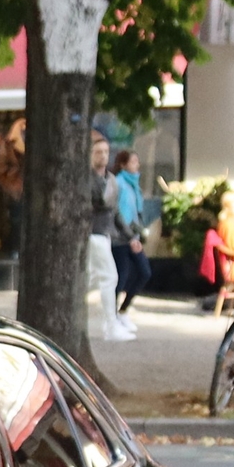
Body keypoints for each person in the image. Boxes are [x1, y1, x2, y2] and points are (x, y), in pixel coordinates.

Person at [87, 136, 133, 341]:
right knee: (108, 277)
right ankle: (111, 326)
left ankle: (109, 324)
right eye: (98, 152)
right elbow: (101, 203)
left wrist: (131, 236)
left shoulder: (110, 180)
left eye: (106, 152)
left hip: (103, 233)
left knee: (90, 278)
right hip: (93, 233)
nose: (103, 156)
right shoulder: (89, 179)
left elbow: (114, 211)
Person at [110, 148, 151, 315]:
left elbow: (135, 213)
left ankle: (123, 309)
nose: (137, 165)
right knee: (121, 276)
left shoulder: (133, 185)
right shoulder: (118, 183)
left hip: (132, 236)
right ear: (123, 164)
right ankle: (112, 314)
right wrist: (129, 236)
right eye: (133, 162)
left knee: (144, 272)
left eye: (137, 161)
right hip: (119, 237)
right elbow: (117, 213)